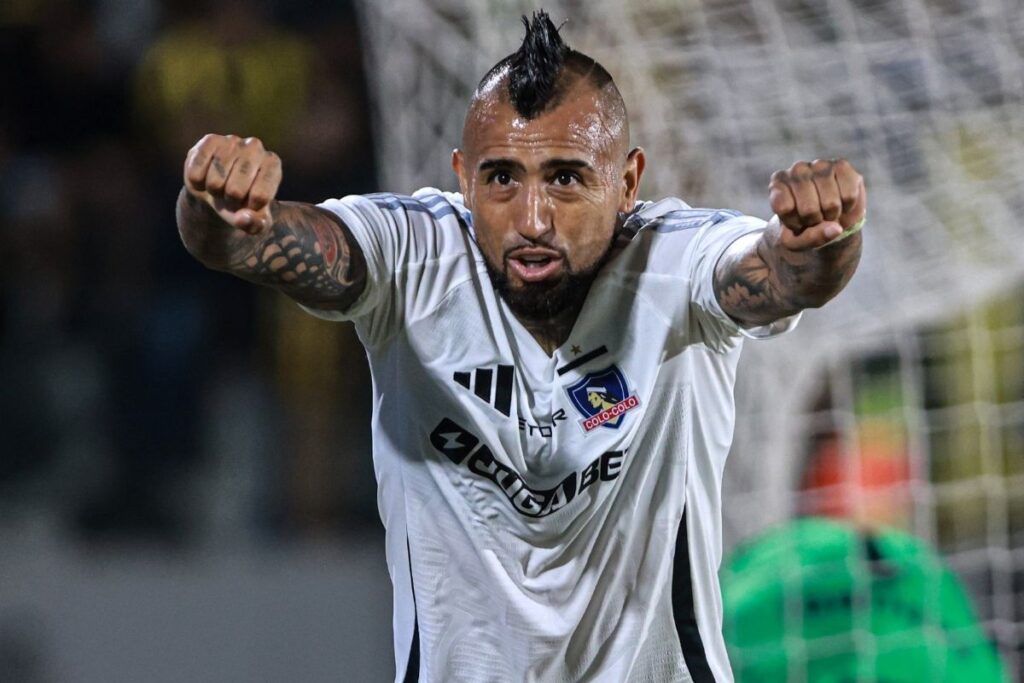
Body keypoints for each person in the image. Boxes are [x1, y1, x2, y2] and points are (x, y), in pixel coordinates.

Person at [176, 11, 864, 682]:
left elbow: (780, 273)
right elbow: (260, 244)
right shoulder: (413, 254)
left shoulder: (676, 262)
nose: (533, 219)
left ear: (628, 181)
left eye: (566, 178)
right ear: (461, 176)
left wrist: (822, 240)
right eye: (503, 177)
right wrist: (218, 214)